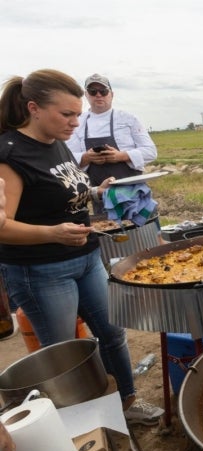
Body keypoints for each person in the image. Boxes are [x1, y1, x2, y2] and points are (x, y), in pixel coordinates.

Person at [0, 69, 163, 425]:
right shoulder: (10, 154)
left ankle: (126, 402)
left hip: (86, 258)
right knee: (64, 355)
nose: (76, 121)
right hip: (41, 270)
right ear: (34, 108)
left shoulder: (56, 141)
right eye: (67, 114)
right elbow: (2, 227)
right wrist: (52, 233)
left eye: (77, 113)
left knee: (112, 333)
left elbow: (60, 192)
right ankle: (77, 425)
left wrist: (95, 192)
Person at [66, 74, 157, 214]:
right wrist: (87, 157)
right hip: (103, 195)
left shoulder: (129, 119)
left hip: (134, 191)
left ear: (111, 94)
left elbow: (151, 152)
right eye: (93, 91)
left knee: (144, 231)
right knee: (109, 231)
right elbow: (68, 158)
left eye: (103, 91)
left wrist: (121, 156)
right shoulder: (78, 123)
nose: (98, 95)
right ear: (86, 95)